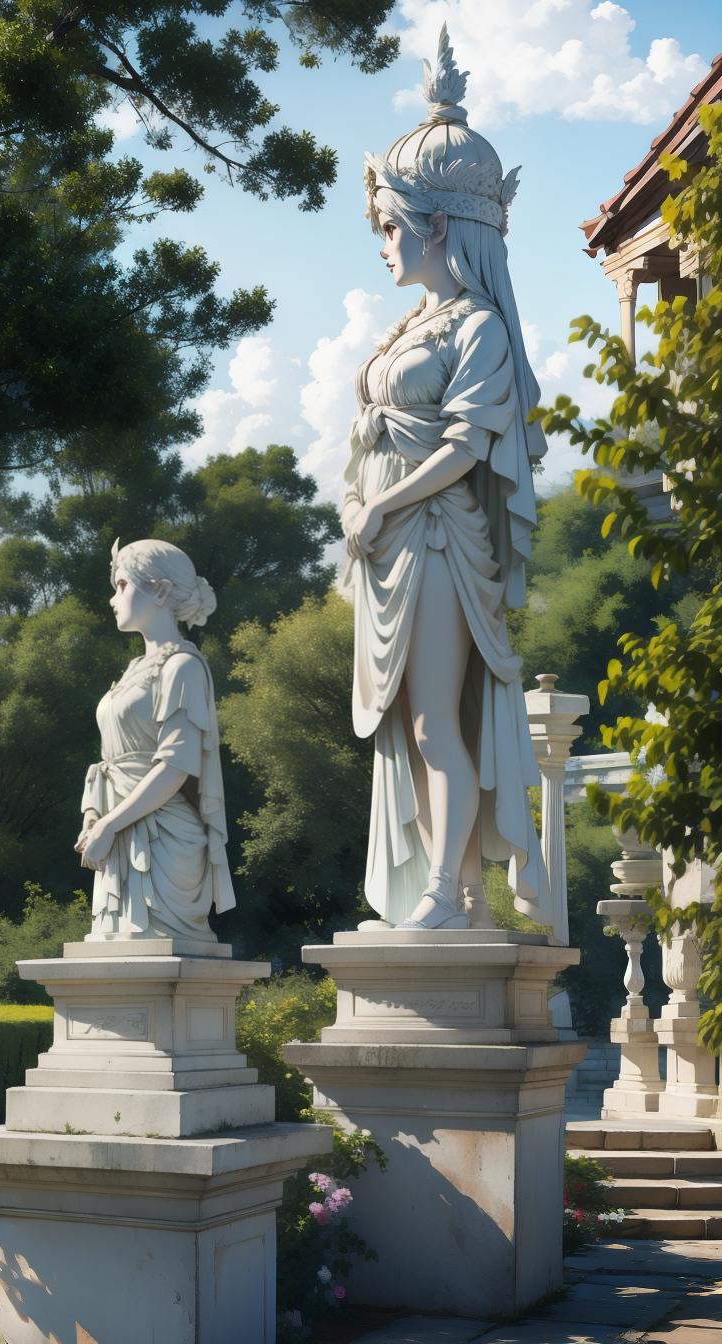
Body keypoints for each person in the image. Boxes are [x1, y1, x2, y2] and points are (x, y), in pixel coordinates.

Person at [343, 26, 551, 933]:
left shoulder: (478, 330)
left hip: (437, 540)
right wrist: (360, 503)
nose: (382, 244)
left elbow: (468, 448)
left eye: (390, 226)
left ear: (438, 225)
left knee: (436, 723)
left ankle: (448, 892)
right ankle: (451, 885)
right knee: (407, 732)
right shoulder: (404, 332)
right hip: (388, 546)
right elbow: (369, 440)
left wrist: (384, 502)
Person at [76, 538, 235, 941]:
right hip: (119, 835)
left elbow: (175, 766)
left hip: (162, 841)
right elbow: (108, 763)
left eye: (123, 585)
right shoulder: (133, 669)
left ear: (160, 591)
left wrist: (110, 824)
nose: (113, 599)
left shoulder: (183, 666)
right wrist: (95, 817)